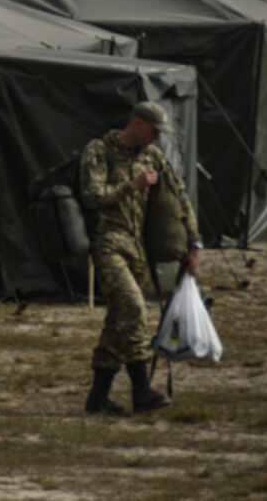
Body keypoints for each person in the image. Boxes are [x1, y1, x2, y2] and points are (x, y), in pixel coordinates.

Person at [78, 101, 201, 415]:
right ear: (138, 124)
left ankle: (98, 397)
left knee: (118, 322)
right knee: (132, 307)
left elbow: (179, 195)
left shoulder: (153, 157)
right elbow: (92, 195)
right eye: (155, 131)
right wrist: (131, 186)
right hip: (108, 244)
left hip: (138, 248)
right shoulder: (99, 150)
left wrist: (192, 241)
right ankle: (141, 389)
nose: (158, 138)